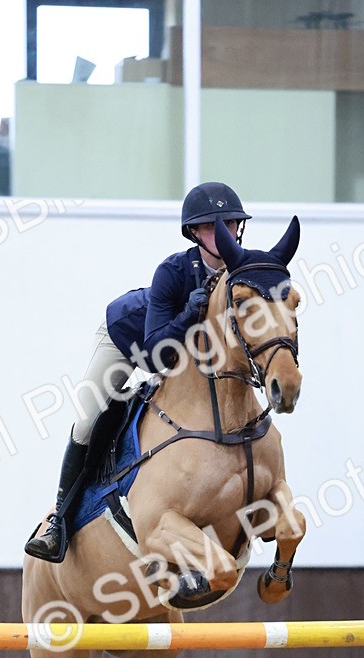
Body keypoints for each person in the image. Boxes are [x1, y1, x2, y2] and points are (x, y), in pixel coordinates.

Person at [24, 182, 251, 562]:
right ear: (194, 232)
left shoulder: (241, 273)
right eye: (213, 226)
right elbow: (152, 353)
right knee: (86, 423)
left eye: (230, 222)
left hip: (182, 356)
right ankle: (58, 524)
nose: (224, 231)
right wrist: (187, 314)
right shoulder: (173, 271)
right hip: (128, 340)